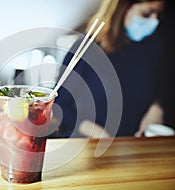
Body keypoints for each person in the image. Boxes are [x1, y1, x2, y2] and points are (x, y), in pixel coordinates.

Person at [53, 0, 167, 138]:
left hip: (131, 147)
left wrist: (155, 109)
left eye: (158, 14)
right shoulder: (85, 49)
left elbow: (153, 93)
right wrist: (97, 133)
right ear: (122, 8)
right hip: (86, 147)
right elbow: (58, 106)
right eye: (147, 13)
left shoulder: (153, 47)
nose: (155, 21)